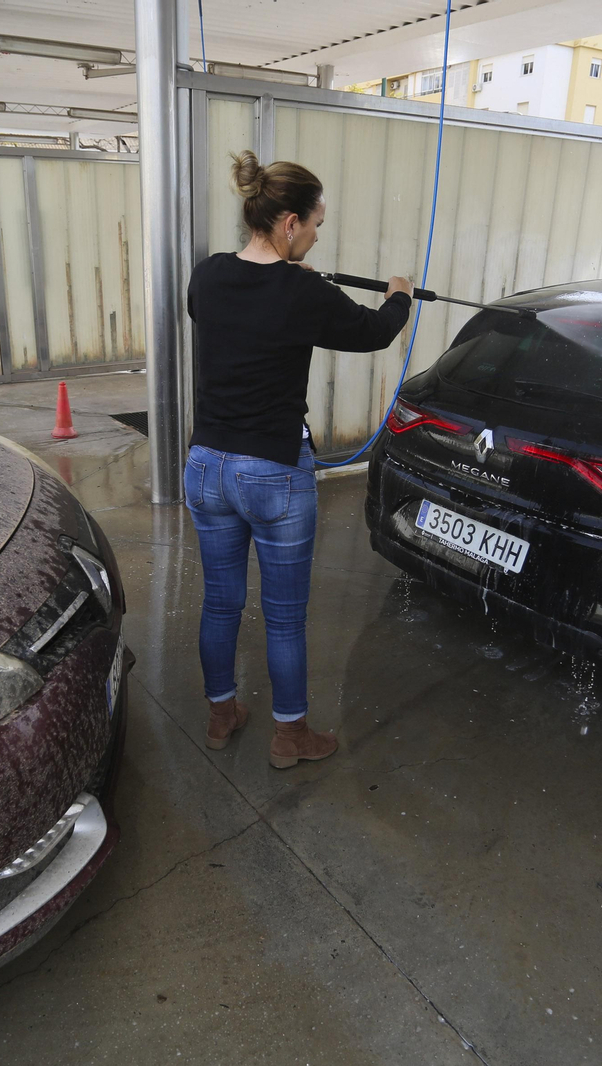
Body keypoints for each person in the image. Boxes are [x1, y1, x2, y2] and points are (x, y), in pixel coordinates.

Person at [185, 150, 414, 769]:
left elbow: (233, 309)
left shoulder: (207, 276)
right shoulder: (304, 290)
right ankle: (290, 736)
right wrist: (399, 296)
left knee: (220, 602)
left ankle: (221, 715)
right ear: (289, 223)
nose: (316, 235)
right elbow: (374, 332)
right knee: (284, 618)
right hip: (272, 474)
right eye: (314, 225)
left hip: (206, 467)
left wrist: (290, 278)